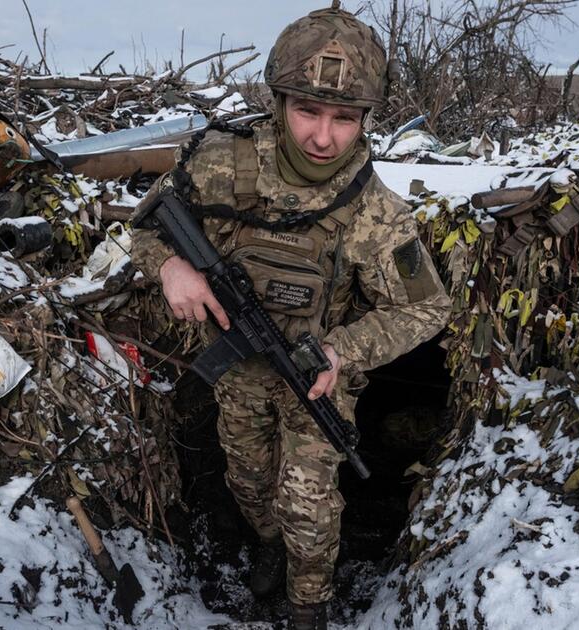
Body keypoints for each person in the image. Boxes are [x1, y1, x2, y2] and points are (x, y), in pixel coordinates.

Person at [132, 3, 450, 628]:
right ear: (278, 101)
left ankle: (310, 607)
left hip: (317, 376)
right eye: (307, 111)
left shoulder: (376, 214)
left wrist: (343, 353)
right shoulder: (222, 161)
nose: (323, 137)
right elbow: (147, 223)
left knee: (309, 504)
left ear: (365, 120)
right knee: (249, 483)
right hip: (238, 369)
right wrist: (169, 267)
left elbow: (426, 308)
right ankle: (266, 547)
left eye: (344, 119)